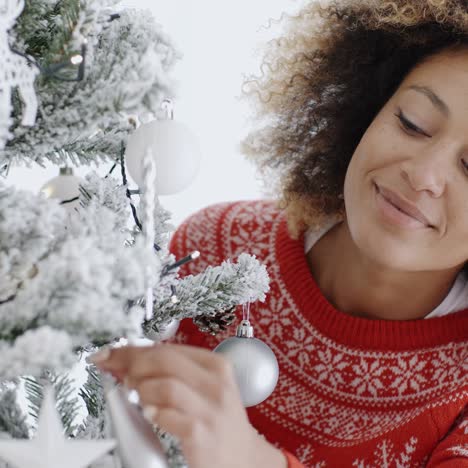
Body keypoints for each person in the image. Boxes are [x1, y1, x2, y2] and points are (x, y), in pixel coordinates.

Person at [92, 0, 468, 466]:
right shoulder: (215, 247)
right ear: (368, 106)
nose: (423, 174)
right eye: (412, 123)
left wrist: (250, 458)